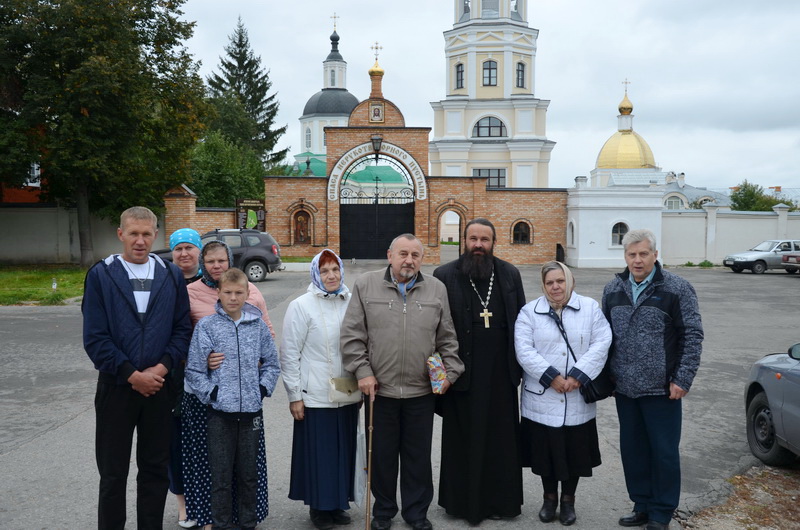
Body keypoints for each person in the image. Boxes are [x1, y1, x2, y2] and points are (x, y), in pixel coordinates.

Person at [341, 234, 464, 530]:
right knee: (382, 457)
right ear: (390, 255)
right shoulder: (366, 285)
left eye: (415, 255)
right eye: (403, 254)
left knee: (417, 457)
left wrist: (450, 372)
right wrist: (362, 372)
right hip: (379, 391)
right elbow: (352, 335)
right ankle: (383, 511)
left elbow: (447, 338)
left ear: (422, 259)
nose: (409, 260)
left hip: (421, 391)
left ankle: (416, 511)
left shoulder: (436, 289)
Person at [82, 206, 191, 529]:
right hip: (117, 388)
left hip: (160, 388)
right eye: (133, 234)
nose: (140, 241)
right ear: (121, 235)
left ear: (156, 235)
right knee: (113, 473)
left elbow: (181, 329)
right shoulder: (102, 275)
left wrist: (161, 369)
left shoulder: (170, 275)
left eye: (146, 234)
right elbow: (96, 338)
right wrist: (131, 374)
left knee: (155, 470)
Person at [602, 229, 703, 530]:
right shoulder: (613, 289)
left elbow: (692, 335)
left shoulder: (677, 288)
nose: (637, 260)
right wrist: (607, 377)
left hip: (662, 389)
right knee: (633, 452)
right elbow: (603, 336)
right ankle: (642, 504)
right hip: (625, 389)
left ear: (655, 255)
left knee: (663, 452)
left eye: (643, 253)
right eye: (631, 254)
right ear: (625, 257)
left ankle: (661, 512)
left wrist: (682, 378)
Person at [433, 218, 526, 524]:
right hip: (462, 373)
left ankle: (502, 502)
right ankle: (462, 503)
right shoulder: (444, 275)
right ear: (464, 240)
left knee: (501, 440)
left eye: (484, 239)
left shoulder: (509, 274)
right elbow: (432, 330)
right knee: (463, 439)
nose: (478, 245)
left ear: (493, 242)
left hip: (501, 374)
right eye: (473, 238)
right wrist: (438, 375)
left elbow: (522, 325)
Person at [182, 240, 275, 529]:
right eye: (228, 292)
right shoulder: (208, 327)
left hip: (250, 414)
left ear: (248, 293)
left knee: (248, 474)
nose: (233, 298)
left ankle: (248, 522)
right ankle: (221, 523)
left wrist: (261, 389)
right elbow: (194, 370)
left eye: (239, 293)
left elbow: (272, 363)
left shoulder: (257, 325)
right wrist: (213, 393)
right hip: (218, 414)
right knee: (220, 475)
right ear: (218, 293)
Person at [514, 261, 612, 526]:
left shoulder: (590, 308)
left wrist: (579, 376)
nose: (555, 287)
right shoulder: (529, 312)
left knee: (574, 453)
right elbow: (523, 349)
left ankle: (568, 500)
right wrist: (551, 377)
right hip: (542, 396)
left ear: (570, 281)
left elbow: (602, 342)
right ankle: (549, 499)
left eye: (560, 281)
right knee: (545, 454)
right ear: (543, 285)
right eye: (549, 283)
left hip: (577, 396)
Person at [280, 249, 361, 530]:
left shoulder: (351, 301)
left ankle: (339, 502)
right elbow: (290, 353)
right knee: (321, 452)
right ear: (316, 273)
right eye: (325, 270)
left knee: (344, 449)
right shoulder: (301, 306)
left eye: (335, 269)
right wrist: (295, 396)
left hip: (348, 391)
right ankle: (319, 507)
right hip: (315, 393)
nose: (331, 276)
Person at [167, 228, 203, 528]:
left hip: (206, 373)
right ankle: (183, 503)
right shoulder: (165, 281)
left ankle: (207, 498)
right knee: (176, 440)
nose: (184, 254)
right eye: (178, 249)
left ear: (199, 251)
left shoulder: (210, 283)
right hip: (174, 373)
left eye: (189, 247)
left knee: (205, 440)